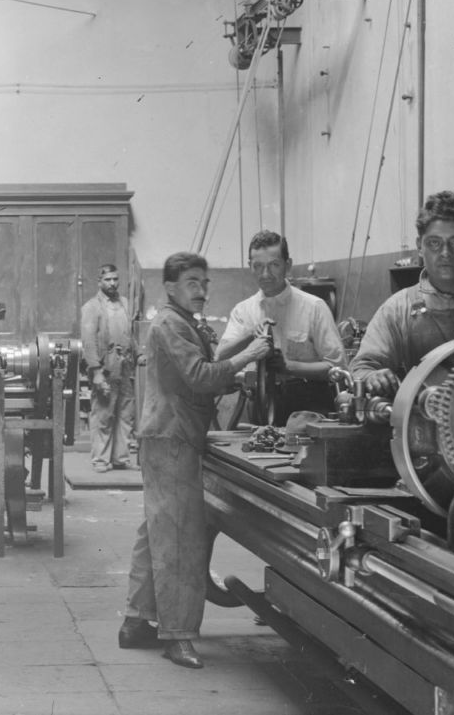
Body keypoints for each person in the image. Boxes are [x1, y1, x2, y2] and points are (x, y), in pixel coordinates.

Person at [117, 252, 271, 669]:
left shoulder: (183, 322)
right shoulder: (169, 323)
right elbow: (200, 376)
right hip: (173, 439)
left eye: (204, 282)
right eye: (191, 283)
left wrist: (235, 374)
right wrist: (249, 355)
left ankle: (135, 622)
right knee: (182, 540)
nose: (201, 291)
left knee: (156, 534)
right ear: (169, 287)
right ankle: (178, 636)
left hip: (170, 435)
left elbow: (198, 379)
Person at [351, 190, 454, 395]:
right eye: (434, 243)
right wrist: (372, 376)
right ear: (419, 247)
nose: (445, 253)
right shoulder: (398, 310)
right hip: (425, 422)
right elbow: (362, 367)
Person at [215, 231, 346, 423]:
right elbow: (221, 357)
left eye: (274, 265)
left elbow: (338, 368)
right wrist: (252, 334)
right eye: (258, 266)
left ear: (288, 265)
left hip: (307, 407)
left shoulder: (313, 307)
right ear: (249, 266)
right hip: (258, 403)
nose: (265, 274)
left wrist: (289, 367)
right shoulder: (243, 311)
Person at [80, 263, 137, 471]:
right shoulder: (91, 307)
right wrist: (95, 371)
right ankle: (101, 460)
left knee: (125, 413)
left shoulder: (125, 303)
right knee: (104, 413)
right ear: (99, 282)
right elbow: (88, 341)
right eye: (108, 280)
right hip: (106, 367)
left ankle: (121, 458)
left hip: (126, 366)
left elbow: (133, 333)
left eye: (115, 279)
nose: (112, 283)